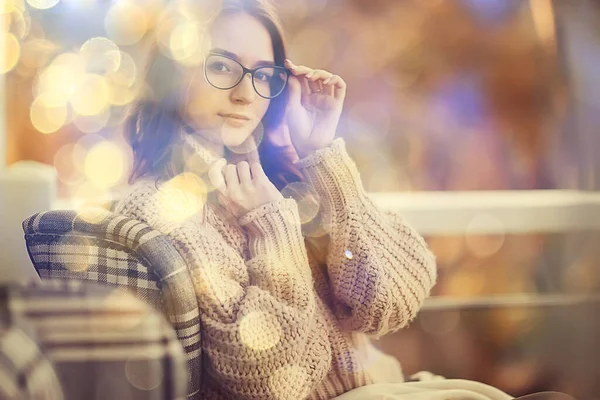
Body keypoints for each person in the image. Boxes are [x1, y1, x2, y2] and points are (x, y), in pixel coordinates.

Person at [113, 0, 530, 399]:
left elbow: (392, 300)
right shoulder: (162, 207)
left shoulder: (279, 177)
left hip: (390, 385)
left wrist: (323, 158)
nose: (245, 93)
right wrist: (271, 227)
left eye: (263, 75)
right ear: (171, 75)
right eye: (221, 66)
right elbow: (270, 378)